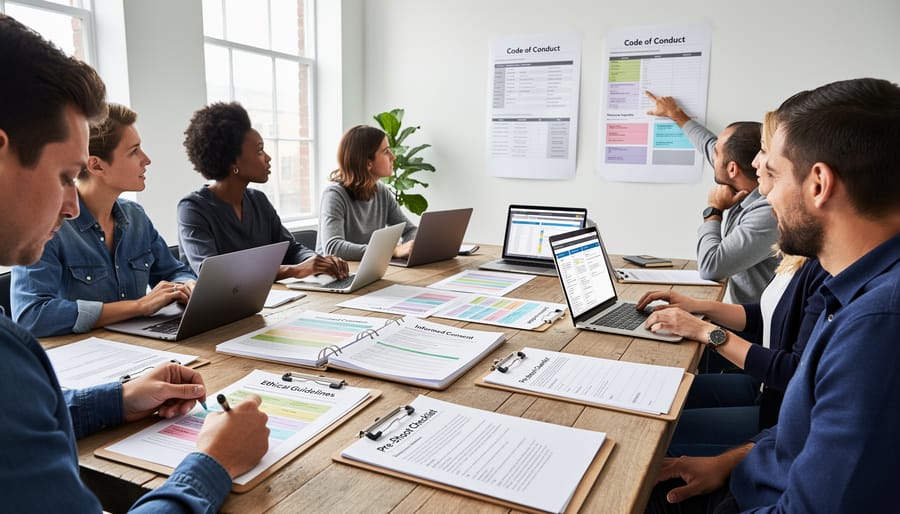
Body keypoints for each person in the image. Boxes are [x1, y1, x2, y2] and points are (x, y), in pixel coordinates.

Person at [0, 14, 268, 512]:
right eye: (64, 176)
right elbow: (34, 316)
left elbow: (22, 421)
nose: (71, 205)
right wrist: (212, 462)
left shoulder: (135, 218)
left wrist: (117, 399)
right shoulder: (8, 359)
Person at [645, 77, 900, 513]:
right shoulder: (853, 287)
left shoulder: (875, 326)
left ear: (818, 183)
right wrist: (730, 462)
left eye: (774, 174)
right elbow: (798, 435)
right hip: (746, 475)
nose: (763, 190)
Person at [637, 112, 828, 457]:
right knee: (652, 392)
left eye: (769, 168)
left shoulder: (819, 265)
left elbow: (793, 371)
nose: (759, 174)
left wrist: (705, 331)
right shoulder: (806, 256)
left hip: (774, 418)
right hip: (767, 393)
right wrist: (699, 308)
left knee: (649, 439)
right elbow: (768, 315)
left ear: (816, 182)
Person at [11, 103, 197, 338]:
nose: (146, 160)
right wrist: (137, 307)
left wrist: (188, 285)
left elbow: (174, 272)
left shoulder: (135, 217)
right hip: (81, 361)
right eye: (134, 151)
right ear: (96, 165)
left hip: (142, 346)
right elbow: (31, 316)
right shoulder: (49, 227)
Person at [178, 102, 348, 281]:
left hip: (266, 301)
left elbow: (291, 249)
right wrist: (293, 271)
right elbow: (213, 273)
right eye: (259, 151)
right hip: (218, 307)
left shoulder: (258, 200)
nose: (268, 157)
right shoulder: (193, 208)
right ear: (233, 161)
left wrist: (317, 261)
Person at [646, 91, 779, 304]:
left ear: (733, 169)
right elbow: (707, 143)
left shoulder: (768, 211)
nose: (711, 154)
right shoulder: (741, 179)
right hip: (740, 314)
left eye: (716, 153)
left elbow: (711, 268)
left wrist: (714, 210)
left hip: (760, 326)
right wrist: (676, 115)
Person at [318, 125, 418, 260]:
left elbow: (410, 230)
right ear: (367, 162)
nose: (393, 157)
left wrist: (409, 248)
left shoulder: (381, 191)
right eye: (386, 151)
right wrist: (391, 251)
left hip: (369, 270)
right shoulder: (334, 195)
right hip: (334, 276)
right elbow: (333, 248)